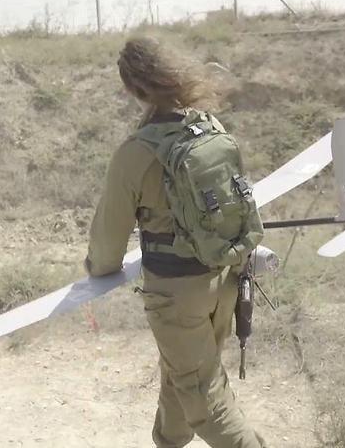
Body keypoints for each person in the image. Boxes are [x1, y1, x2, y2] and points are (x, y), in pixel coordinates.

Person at [85, 36, 268, 448]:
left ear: (135, 89)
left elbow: (106, 246)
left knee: (205, 399)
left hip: (176, 295)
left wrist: (98, 269)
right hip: (224, 278)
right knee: (182, 375)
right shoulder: (208, 126)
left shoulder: (135, 152)